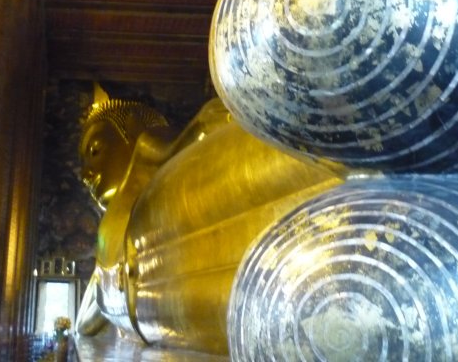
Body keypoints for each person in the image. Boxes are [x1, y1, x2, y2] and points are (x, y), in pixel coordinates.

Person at [75, 87, 351, 354]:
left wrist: (196, 128)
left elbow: (168, 144)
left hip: (182, 208)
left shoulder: (154, 156)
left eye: (95, 150)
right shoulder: (116, 228)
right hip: (166, 297)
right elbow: (91, 311)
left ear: (133, 127)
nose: (87, 174)